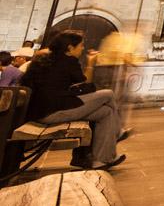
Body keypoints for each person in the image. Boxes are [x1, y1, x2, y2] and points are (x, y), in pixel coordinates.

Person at [21, 30, 127, 170]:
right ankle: (116, 132)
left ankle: (101, 160)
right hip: (53, 112)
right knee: (108, 94)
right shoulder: (68, 61)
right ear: (70, 48)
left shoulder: (47, 59)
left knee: (105, 112)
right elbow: (83, 84)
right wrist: (90, 63)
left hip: (41, 111)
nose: (82, 48)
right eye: (81, 45)